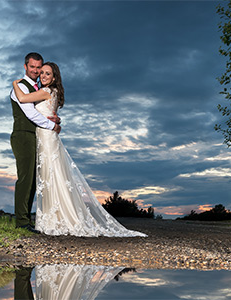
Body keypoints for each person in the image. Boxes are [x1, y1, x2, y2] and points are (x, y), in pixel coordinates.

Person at [13, 62, 146, 237]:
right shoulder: (51, 91)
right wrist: (55, 121)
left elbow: (23, 100)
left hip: (46, 137)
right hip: (46, 137)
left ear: (54, 78)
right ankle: (55, 217)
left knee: (50, 176)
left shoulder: (45, 91)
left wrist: (15, 83)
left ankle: (55, 219)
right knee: (51, 176)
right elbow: (43, 112)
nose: (43, 76)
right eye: (42, 73)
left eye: (47, 74)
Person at [10, 52, 61, 233]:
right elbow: (30, 114)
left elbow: (43, 109)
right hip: (23, 135)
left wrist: (55, 119)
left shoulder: (38, 88)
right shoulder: (20, 88)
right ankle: (22, 221)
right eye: (32, 67)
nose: (36, 70)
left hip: (36, 136)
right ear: (25, 66)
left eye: (39, 67)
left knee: (33, 179)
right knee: (25, 178)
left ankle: (27, 219)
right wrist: (51, 125)